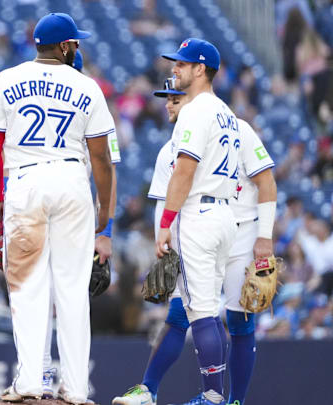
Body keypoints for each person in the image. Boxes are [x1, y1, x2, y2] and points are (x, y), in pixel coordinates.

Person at [112, 77, 277, 405]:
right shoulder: (168, 151)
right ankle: (148, 388)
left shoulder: (236, 129)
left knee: (240, 319)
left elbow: (267, 182)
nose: (169, 104)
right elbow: (164, 199)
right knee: (180, 313)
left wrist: (265, 237)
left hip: (241, 231)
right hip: (198, 230)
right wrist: (166, 241)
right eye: (167, 99)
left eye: (175, 97)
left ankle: (231, 400)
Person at [0, 13, 113, 404]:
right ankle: (74, 388)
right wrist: (103, 217)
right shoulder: (87, 86)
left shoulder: (7, 79)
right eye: (75, 43)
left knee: (28, 288)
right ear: (66, 46)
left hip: (25, 180)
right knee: (72, 289)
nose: (78, 48)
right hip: (73, 181)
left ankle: (30, 382)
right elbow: (102, 160)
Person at [151, 38, 240, 405]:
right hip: (224, 215)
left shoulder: (195, 110)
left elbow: (184, 171)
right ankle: (219, 395)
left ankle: (214, 397)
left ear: (200, 69)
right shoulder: (228, 114)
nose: (175, 69)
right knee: (210, 309)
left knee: (200, 311)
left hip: (198, 215)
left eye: (182, 64)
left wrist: (166, 221)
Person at [41, 49, 121, 399]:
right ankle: (46, 375)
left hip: (68, 211)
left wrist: (104, 232)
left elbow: (108, 172)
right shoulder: (84, 96)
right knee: (49, 294)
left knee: (53, 294)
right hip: (59, 207)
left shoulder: (85, 101)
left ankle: (61, 379)